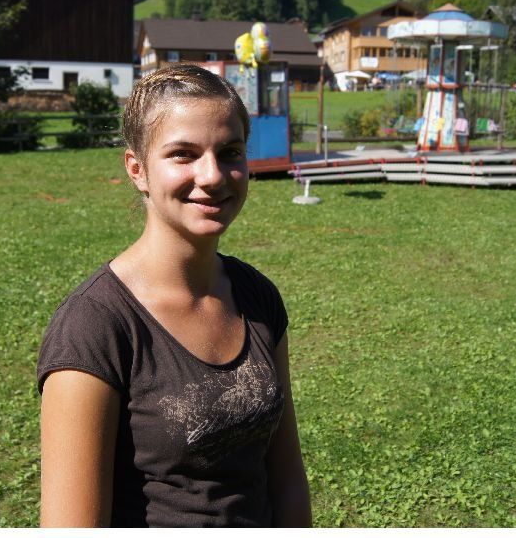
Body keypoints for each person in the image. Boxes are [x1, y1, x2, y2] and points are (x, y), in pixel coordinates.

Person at [37, 64, 311, 528]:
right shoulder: (94, 329)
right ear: (137, 169)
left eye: (230, 152)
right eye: (183, 154)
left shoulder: (257, 296)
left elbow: (286, 477)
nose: (213, 175)